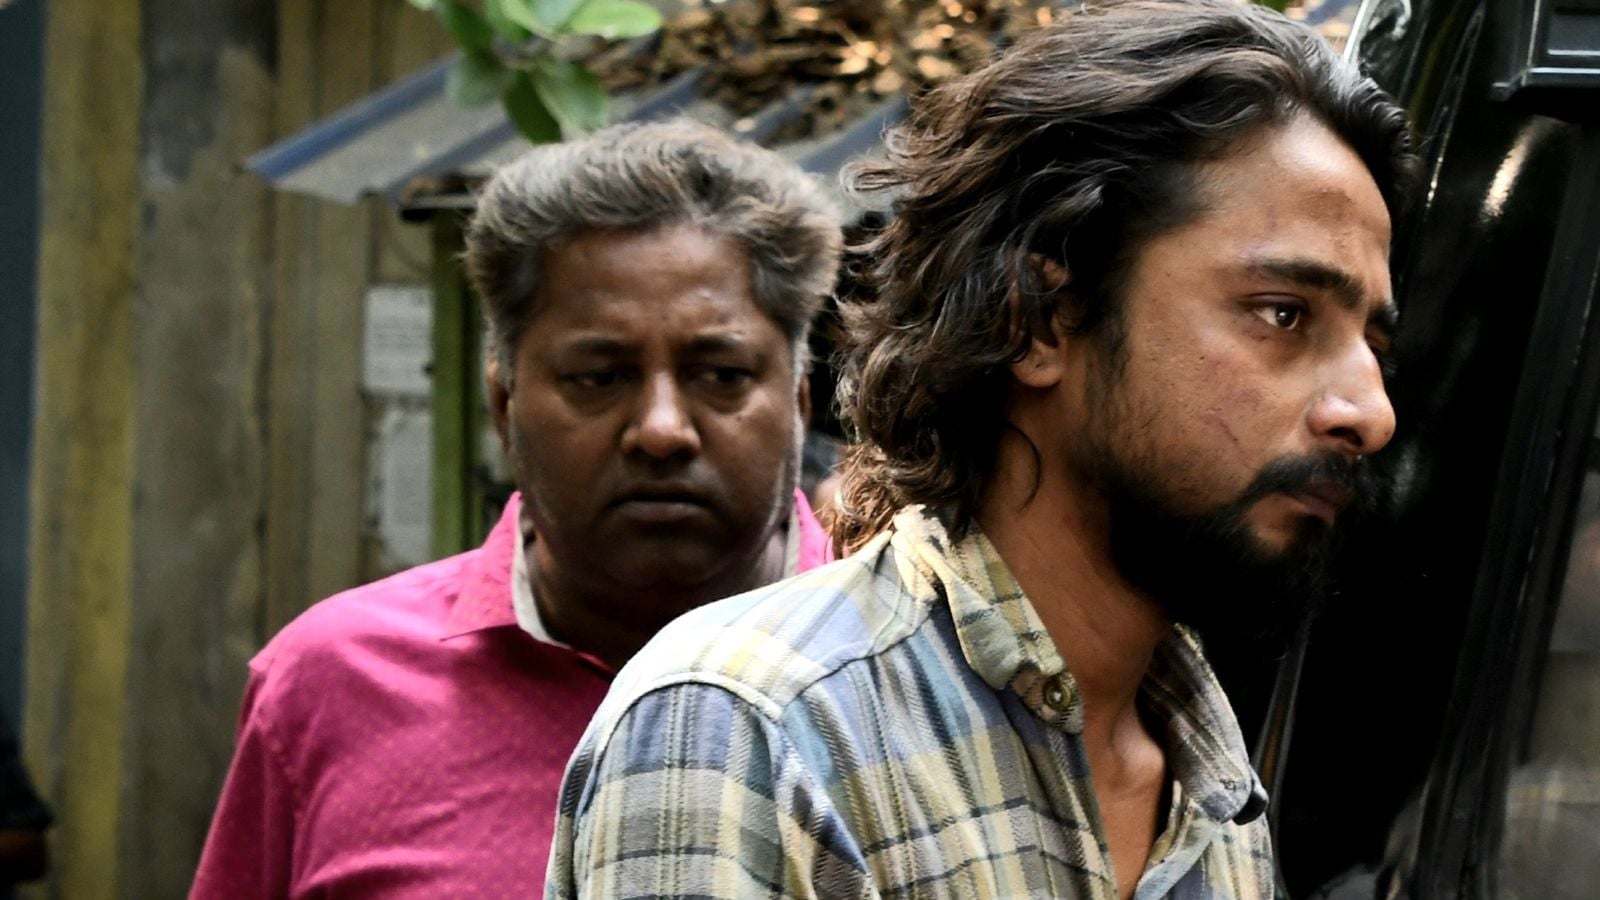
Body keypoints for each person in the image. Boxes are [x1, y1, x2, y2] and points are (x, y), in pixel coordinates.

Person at [546, 2, 1419, 897]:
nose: (1371, 413)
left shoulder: (1211, 779)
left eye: (1374, 347)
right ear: (1035, 319)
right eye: (1284, 314)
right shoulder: (756, 735)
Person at [191, 119, 843, 898]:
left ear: (799, 400)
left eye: (722, 374)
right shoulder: (328, 685)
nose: (662, 429)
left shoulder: (916, 674)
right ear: (504, 404)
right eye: (598, 376)